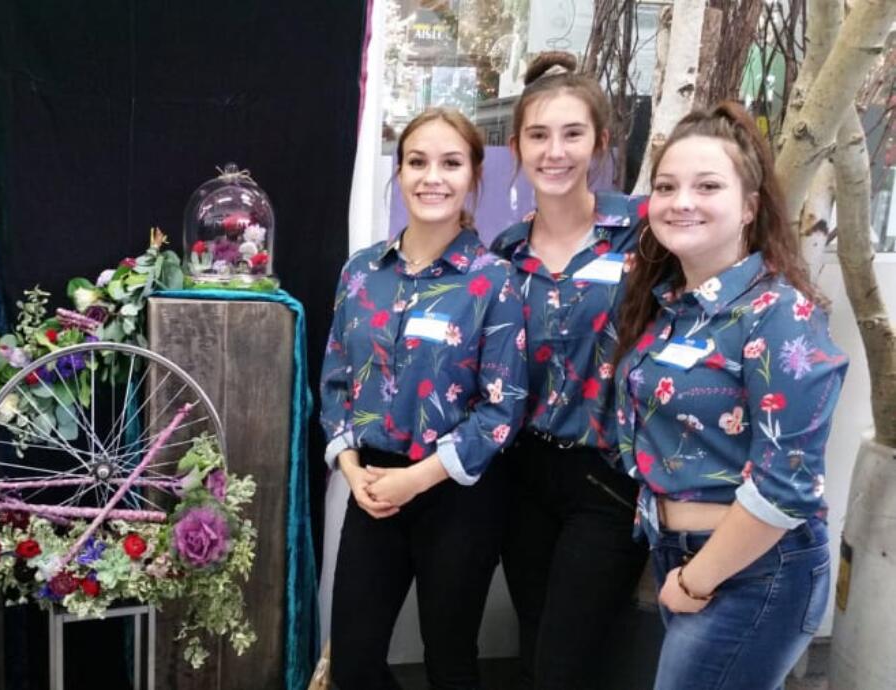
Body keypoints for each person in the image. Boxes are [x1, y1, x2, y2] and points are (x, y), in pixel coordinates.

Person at [613, 101, 847, 689]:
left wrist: (695, 581)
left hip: (756, 569)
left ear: (748, 207)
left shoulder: (779, 314)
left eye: (707, 185)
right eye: (666, 186)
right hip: (684, 555)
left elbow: (785, 486)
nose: (681, 201)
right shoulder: (669, 308)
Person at [319, 106, 527, 690]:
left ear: (472, 177)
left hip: (457, 494)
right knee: (355, 664)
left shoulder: (494, 280)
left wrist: (417, 479)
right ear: (399, 171)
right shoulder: (361, 272)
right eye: (417, 161)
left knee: (450, 661)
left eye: (450, 163)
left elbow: (501, 408)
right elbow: (336, 378)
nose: (431, 177)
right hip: (375, 488)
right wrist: (351, 469)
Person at [489, 52, 649, 689]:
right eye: (538, 135)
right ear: (517, 147)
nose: (555, 152)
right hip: (522, 473)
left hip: (606, 477)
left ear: (601, 142)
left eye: (572, 133)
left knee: (568, 660)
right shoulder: (503, 252)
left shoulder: (643, 233)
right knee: (533, 642)